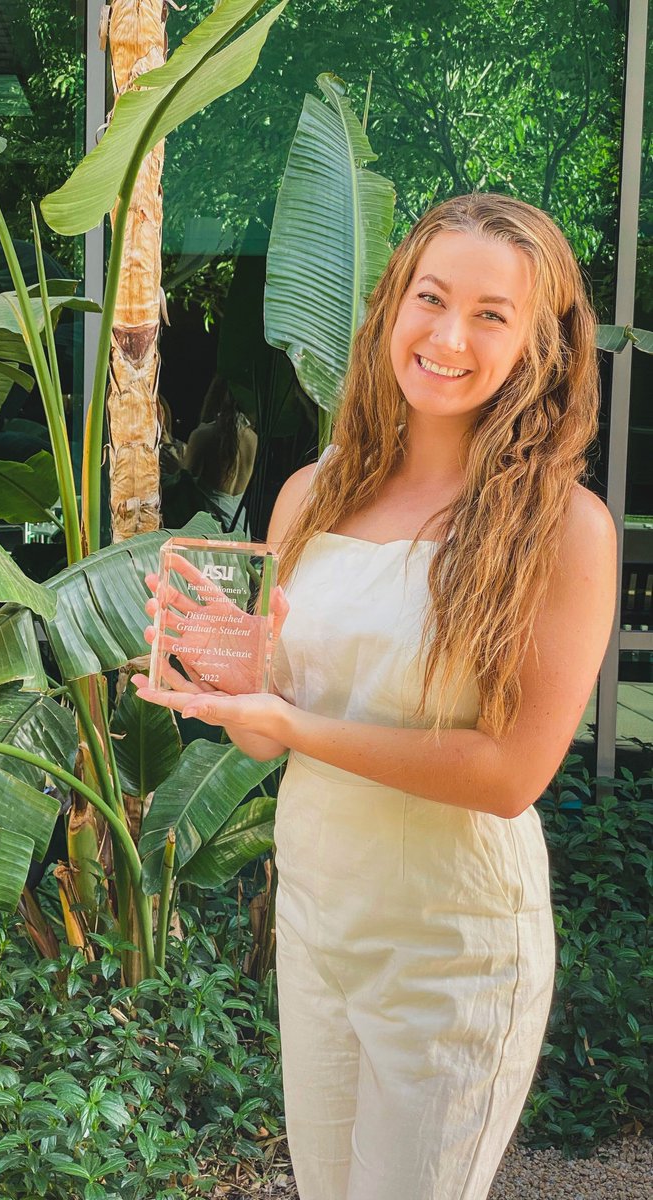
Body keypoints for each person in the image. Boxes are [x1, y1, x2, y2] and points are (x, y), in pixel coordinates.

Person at [131, 192, 617, 1199]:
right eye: (430, 298)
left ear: (541, 344)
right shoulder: (314, 491)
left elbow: (509, 774)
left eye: (492, 314)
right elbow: (274, 728)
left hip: (454, 950)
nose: (448, 336)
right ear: (391, 306)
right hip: (319, 922)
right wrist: (226, 680)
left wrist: (295, 722)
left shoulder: (563, 530)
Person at [182, 375, 258, 533]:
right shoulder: (252, 438)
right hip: (240, 525)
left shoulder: (203, 434)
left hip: (211, 526)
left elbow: (185, 484)